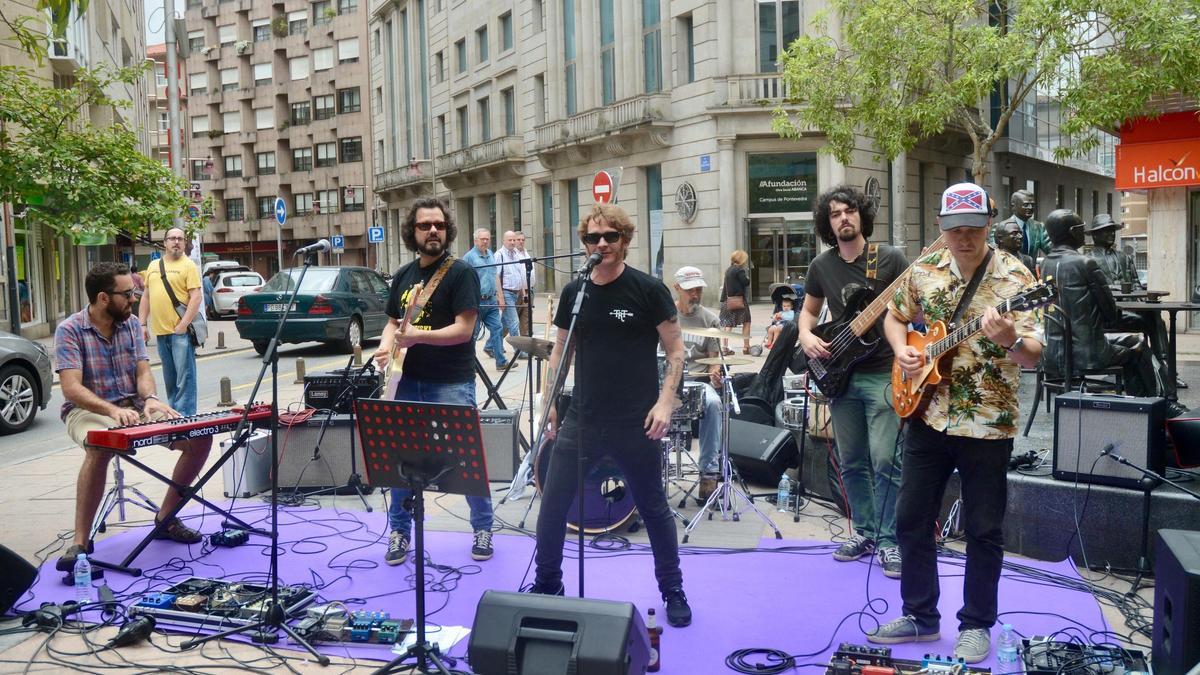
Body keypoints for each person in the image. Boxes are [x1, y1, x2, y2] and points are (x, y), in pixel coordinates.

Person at [871, 182, 1044, 663]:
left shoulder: (1017, 277)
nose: (963, 239)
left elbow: (1032, 356)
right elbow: (894, 315)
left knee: (984, 528)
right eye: (954, 230)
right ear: (940, 228)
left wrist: (1010, 339)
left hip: (987, 424)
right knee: (910, 519)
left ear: (990, 224)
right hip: (927, 412)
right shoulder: (925, 270)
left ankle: (976, 624)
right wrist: (903, 348)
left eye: (972, 229)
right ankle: (921, 617)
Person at [531, 203, 692, 628]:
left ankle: (672, 589)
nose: (601, 244)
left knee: (654, 506)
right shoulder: (575, 291)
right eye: (592, 238)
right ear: (584, 243)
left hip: (635, 421)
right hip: (581, 417)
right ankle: (547, 584)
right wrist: (549, 404)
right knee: (553, 503)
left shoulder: (647, 289)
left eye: (610, 237)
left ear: (625, 240)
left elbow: (676, 351)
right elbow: (560, 353)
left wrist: (665, 402)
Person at [54, 262, 210, 571]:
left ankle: (166, 518)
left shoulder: (129, 325)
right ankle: (80, 543)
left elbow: (143, 372)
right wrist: (112, 410)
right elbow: (71, 388)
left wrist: (150, 398)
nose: (135, 298)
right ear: (103, 298)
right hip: (88, 410)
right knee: (100, 445)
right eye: (127, 294)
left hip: (133, 406)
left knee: (199, 438)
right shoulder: (69, 330)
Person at [372, 197, 495, 565]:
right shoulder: (405, 275)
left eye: (439, 225)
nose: (433, 231)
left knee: (466, 457)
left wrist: (417, 337)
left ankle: (483, 527)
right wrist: (385, 348)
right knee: (400, 460)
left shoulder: (460, 273)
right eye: (425, 225)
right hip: (407, 381)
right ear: (413, 231)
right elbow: (394, 322)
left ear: (447, 230)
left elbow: (464, 330)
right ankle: (398, 531)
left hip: (450, 381)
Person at [798, 185, 909, 578]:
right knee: (852, 462)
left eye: (849, 211)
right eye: (834, 214)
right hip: (841, 377)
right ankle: (864, 532)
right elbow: (808, 314)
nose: (843, 218)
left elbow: (914, 308)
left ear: (861, 215)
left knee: (885, 459)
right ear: (827, 223)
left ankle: (890, 540)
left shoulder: (891, 259)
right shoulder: (821, 266)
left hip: (882, 372)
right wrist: (807, 336)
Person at [1038, 209, 1174, 405]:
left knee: (1132, 341)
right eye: (1081, 228)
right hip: (1088, 354)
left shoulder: (1047, 264)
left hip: (1055, 353)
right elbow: (1110, 313)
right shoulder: (1086, 262)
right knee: (1139, 347)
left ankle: (1146, 403)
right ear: (1072, 232)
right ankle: (1160, 403)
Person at [671, 265, 724, 499]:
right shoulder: (666, 317)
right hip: (668, 382)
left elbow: (715, 359)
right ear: (677, 288)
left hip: (698, 382)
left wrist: (715, 373)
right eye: (690, 290)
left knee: (713, 404)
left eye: (698, 290)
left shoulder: (709, 319)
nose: (695, 294)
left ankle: (709, 472)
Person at [139, 228, 203, 416]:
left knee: (185, 378)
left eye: (180, 239)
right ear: (165, 242)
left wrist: (183, 325)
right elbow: (146, 297)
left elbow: (196, 297)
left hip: (180, 332)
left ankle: (185, 416)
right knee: (170, 378)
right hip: (161, 332)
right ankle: (174, 413)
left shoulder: (188, 265)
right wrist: (142, 324)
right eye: (172, 238)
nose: (176, 242)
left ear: (184, 243)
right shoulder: (153, 266)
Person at [462, 228, 507, 369]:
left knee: (497, 328)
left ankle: (501, 362)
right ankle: (471, 364)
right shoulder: (469, 257)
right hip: (476, 302)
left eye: (488, 239)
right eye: (483, 239)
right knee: (473, 334)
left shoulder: (491, 254)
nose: (486, 241)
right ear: (475, 240)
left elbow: (495, 277)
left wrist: (501, 296)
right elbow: (464, 281)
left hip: (491, 301)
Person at [1085, 214, 1141, 289]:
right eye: (1107, 231)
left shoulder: (1125, 258)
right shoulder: (1087, 260)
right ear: (1095, 235)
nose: (1112, 234)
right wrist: (1111, 287)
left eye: (1113, 231)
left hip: (1128, 300)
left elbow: (1136, 283)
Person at [496, 229, 533, 344]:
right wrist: (500, 297)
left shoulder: (516, 254)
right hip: (506, 293)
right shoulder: (499, 255)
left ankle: (491, 345)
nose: (512, 242)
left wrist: (524, 292)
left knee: (506, 323)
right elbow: (495, 277)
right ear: (504, 241)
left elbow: (519, 275)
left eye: (513, 240)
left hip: (517, 293)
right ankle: (519, 350)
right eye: (510, 240)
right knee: (514, 322)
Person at [994, 189, 1049, 260]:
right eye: (1026, 205)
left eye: (1032, 205)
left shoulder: (1039, 227)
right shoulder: (1000, 228)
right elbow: (994, 253)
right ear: (1013, 206)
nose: (1030, 207)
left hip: (1030, 270)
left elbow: (1050, 249)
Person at [719, 250, 752, 355]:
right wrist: (747, 277)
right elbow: (745, 282)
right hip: (739, 301)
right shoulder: (739, 270)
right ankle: (746, 347)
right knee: (746, 322)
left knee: (727, 324)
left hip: (728, 301)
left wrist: (723, 300)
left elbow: (725, 287)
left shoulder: (728, 270)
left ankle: (724, 348)